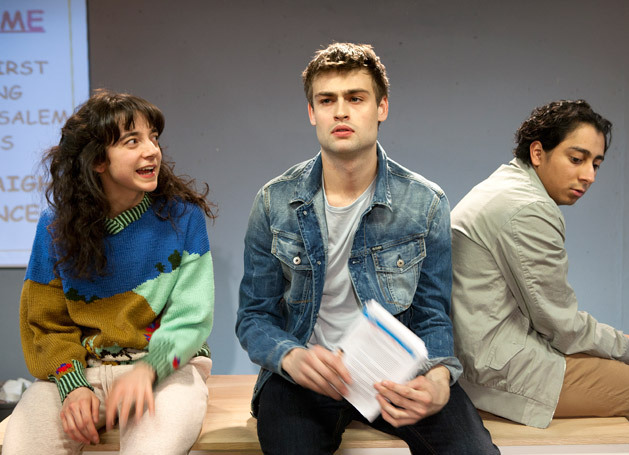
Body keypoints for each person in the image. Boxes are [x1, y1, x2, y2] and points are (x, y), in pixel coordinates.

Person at [236, 42, 498, 455]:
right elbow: (254, 317)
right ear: (312, 113)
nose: (341, 111)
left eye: (355, 98)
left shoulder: (424, 202)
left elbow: (432, 314)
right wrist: (290, 357)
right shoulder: (274, 202)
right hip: (305, 379)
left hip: (396, 374)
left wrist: (439, 379)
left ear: (382, 107)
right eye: (327, 100)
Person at [450, 99, 629, 454]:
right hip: (500, 372)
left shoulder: (504, 185)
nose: (589, 176)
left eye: (596, 164)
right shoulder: (528, 208)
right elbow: (561, 326)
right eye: (576, 159)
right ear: (537, 152)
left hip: (484, 358)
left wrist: (623, 344)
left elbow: (550, 320)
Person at [4, 90, 216, 454]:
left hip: (163, 370)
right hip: (78, 371)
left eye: (153, 138)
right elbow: (46, 323)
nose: (152, 150)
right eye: (132, 141)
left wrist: (148, 369)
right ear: (98, 161)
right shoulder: (53, 227)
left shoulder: (183, 218)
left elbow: (191, 318)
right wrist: (72, 385)